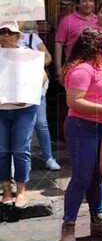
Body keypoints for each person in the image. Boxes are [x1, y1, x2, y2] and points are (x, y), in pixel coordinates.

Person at [60, 28, 102, 241]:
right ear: (96, 47)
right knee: (81, 176)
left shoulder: (99, 67)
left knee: (97, 176)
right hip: (82, 127)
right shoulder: (82, 71)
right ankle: (69, 224)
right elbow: (74, 101)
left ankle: (97, 220)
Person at [0, 22, 41, 209]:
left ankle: (21, 191)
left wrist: (27, 94)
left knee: (21, 149)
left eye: (11, 32)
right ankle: (6, 190)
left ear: (18, 36)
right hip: (1, 109)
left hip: (24, 109)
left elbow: (42, 78)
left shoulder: (30, 56)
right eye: (2, 32)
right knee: (1, 151)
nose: (6, 35)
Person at [17, 21, 59, 171]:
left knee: (41, 123)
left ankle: (48, 157)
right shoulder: (4, 39)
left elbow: (48, 57)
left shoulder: (32, 38)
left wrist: (32, 62)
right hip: (14, 88)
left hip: (35, 85)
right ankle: (19, 162)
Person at [54, 0, 97, 84]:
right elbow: (58, 44)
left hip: (95, 68)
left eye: (91, 1)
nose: (88, 4)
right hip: (74, 66)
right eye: (84, 1)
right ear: (78, 4)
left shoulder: (98, 20)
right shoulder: (67, 20)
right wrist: (58, 69)